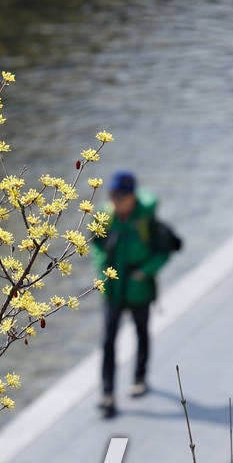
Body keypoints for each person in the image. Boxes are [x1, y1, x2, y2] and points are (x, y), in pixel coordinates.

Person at [90, 170, 172, 419]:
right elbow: (94, 245)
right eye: (113, 195)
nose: (116, 200)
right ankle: (107, 393)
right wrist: (104, 266)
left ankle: (139, 377)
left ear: (133, 197)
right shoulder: (105, 218)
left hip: (139, 288)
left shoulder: (146, 221)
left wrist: (146, 272)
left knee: (141, 333)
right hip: (113, 288)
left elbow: (164, 251)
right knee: (108, 340)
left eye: (122, 195)